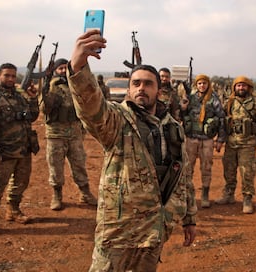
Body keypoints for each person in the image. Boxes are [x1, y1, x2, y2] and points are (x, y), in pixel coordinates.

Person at [67, 30, 197, 272]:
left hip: (154, 232)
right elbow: (91, 108)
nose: (141, 88)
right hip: (118, 234)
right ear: (129, 90)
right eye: (136, 83)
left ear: (159, 90)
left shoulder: (174, 128)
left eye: (148, 84)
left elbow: (183, 177)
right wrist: (78, 67)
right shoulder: (117, 121)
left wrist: (189, 218)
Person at [0, 63, 40, 240]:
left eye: (13, 76)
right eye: (7, 76)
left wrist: (33, 99)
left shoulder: (19, 97)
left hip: (23, 150)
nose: (11, 79)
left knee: (20, 184)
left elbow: (32, 116)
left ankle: (13, 210)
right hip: (4, 153)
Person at [41, 58, 97, 210]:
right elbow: (44, 110)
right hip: (56, 135)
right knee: (56, 167)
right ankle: (57, 195)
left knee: (79, 164)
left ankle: (85, 193)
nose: (62, 71)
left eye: (65, 68)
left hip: (74, 133)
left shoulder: (74, 86)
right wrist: (48, 89)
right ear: (55, 71)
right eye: (59, 69)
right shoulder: (50, 87)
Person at [215, 76, 256, 214]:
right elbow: (220, 119)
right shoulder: (229, 102)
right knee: (228, 169)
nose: (241, 88)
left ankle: (247, 198)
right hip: (231, 142)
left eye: (244, 86)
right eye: (238, 85)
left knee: (247, 171)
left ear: (249, 88)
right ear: (234, 87)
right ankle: (229, 194)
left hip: (248, 143)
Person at [180, 74, 227, 208]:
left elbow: (222, 119)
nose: (202, 86)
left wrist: (220, 139)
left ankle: (205, 195)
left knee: (206, 167)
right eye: (199, 83)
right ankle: (188, 195)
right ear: (196, 85)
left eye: (204, 83)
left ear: (208, 85)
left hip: (207, 140)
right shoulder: (191, 98)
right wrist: (183, 107)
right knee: (188, 168)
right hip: (191, 138)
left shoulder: (214, 99)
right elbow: (183, 115)